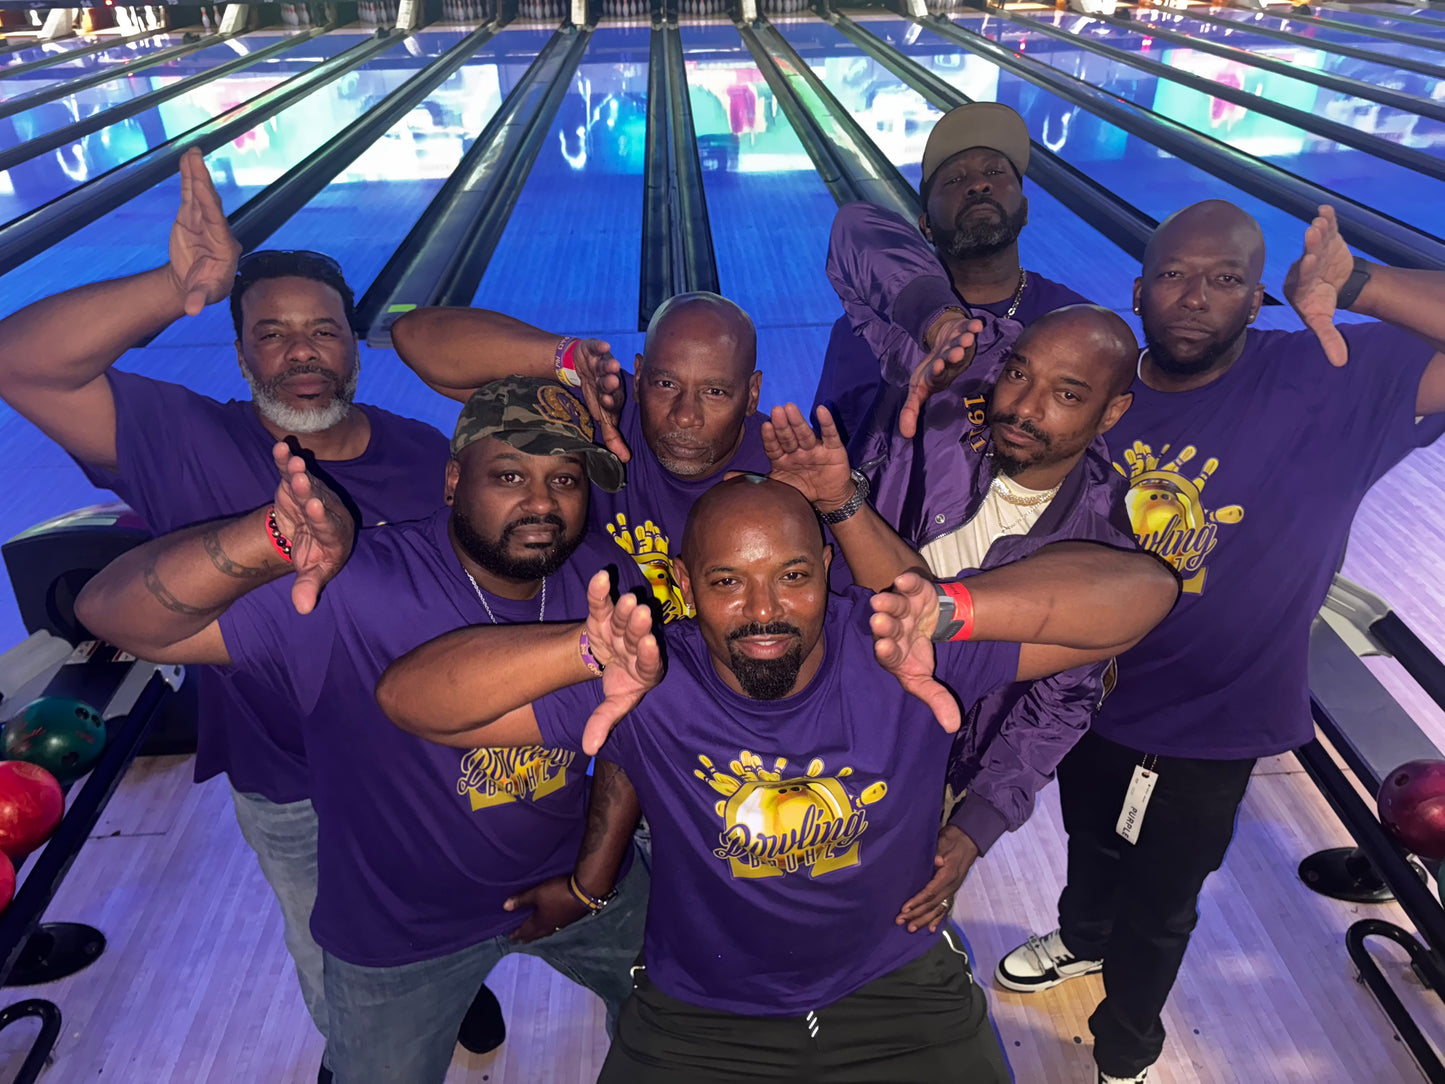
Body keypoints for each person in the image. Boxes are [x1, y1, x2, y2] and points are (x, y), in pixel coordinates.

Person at [374, 475, 1182, 1084]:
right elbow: (408, 702)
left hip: (894, 992)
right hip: (701, 1014)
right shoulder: (651, 675)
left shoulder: (896, 650)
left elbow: (1145, 594)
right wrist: (578, 653)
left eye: (791, 576)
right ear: (684, 589)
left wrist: (952, 611)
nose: (764, 610)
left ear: (827, 570)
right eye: (727, 582)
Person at [0, 149, 505, 1080]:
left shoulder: (425, 453)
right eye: (272, 333)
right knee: (336, 973)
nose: (301, 351)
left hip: (428, 768)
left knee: (442, 910)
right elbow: (18, 361)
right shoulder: (186, 437)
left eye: (321, 331)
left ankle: (451, 980)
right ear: (239, 354)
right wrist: (172, 284)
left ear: (353, 347)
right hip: (291, 787)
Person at [72, 378, 649, 1084]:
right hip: (399, 932)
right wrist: (267, 539)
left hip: (577, 883)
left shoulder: (601, 577)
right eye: (508, 475)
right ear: (450, 480)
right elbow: (109, 613)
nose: (541, 503)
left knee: (681, 1018)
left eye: (564, 478)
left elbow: (628, 743)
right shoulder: (353, 589)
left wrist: (591, 881)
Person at [987, 202, 1445, 1084]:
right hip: (1084, 693)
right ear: (1137, 290)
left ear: (1258, 297)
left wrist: (1359, 285)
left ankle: (1125, 1046)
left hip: (1219, 720)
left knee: (1162, 905)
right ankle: (1081, 942)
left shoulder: (1329, 375)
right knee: (1091, 842)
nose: (1193, 296)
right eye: (1172, 274)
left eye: (1224, 278)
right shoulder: (1094, 393)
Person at [759, 303, 1139, 934]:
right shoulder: (925, 426)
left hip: (926, 770)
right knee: (763, 901)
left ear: (1113, 412)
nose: (1024, 406)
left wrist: (976, 824)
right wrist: (934, 317)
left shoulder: (1098, 548)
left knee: (878, 926)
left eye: (1067, 394)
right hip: (799, 719)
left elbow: (1063, 700)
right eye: (1018, 374)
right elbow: (860, 233)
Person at [391, 291, 775, 621]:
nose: (685, 415)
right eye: (666, 383)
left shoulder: (789, 475)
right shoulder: (598, 408)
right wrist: (567, 361)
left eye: (715, 392)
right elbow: (413, 337)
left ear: (752, 394)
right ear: (638, 378)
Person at [816, 102, 1092, 444]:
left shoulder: (1076, 325)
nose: (978, 185)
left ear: (1025, 209)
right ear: (926, 226)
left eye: (994, 173)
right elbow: (835, 458)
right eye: (955, 180)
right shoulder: (867, 335)